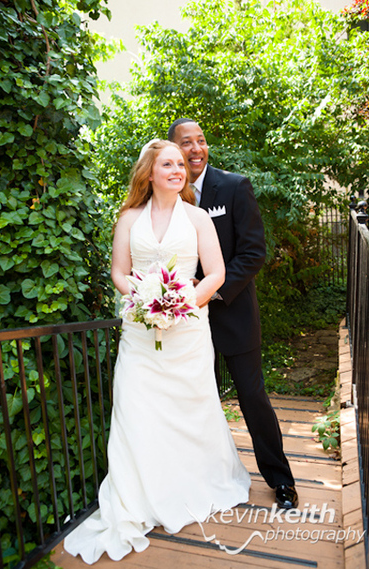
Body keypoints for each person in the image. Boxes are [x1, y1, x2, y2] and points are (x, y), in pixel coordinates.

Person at [64, 140, 251, 563]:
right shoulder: (129, 217)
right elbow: (118, 271)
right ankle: (137, 496)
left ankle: (190, 484)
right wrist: (146, 298)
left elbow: (216, 273)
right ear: (149, 173)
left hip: (188, 331)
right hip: (139, 332)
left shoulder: (199, 218)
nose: (177, 170)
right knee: (136, 408)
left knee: (191, 408)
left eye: (180, 164)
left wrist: (181, 303)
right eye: (167, 164)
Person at [167, 118, 298, 510]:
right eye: (186, 143)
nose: (195, 149)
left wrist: (212, 293)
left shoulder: (234, 186)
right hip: (184, 323)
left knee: (253, 397)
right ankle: (199, 479)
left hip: (233, 313)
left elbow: (254, 253)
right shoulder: (166, 194)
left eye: (201, 141)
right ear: (172, 150)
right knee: (193, 400)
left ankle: (281, 481)